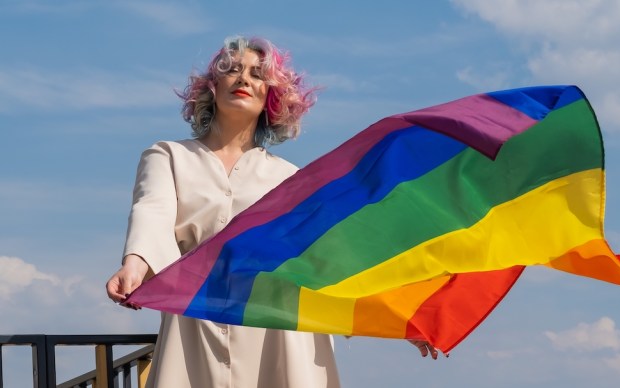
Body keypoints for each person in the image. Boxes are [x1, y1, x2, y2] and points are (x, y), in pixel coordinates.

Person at [106, 35, 438, 388]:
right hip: (196, 320)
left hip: (277, 327)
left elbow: (328, 259)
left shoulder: (290, 178)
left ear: (272, 96)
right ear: (212, 88)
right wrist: (135, 264)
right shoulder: (168, 156)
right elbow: (151, 211)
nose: (244, 79)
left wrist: (400, 319)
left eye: (257, 74)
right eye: (231, 70)